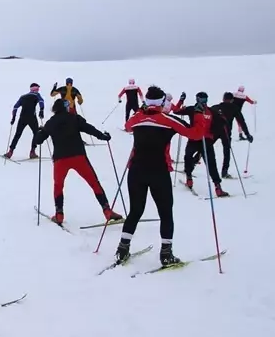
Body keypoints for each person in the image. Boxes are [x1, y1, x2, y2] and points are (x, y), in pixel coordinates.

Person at [116, 86, 210, 267]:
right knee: (165, 213)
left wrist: (142, 113)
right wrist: (198, 115)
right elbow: (196, 134)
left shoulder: (137, 118)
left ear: (146, 102)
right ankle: (166, 254)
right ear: (161, 102)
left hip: (136, 171)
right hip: (158, 172)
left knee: (135, 211)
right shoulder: (167, 120)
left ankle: (122, 249)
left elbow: (128, 127)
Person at [33, 98, 122, 226]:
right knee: (94, 183)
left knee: (58, 186)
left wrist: (39, 132)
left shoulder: (50, 123)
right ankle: (107, 211)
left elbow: (38, 140)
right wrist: (103, 136)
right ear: (65, 107)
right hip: (78, 156)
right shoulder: (74, 118)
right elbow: (88, 128)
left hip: (60, 159)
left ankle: (59, 214)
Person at [174, 92, 230, 197]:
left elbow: (176, 111)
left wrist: (181, 100)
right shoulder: (208, 111)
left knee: (190, 158)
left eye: (205, 100)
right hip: (202, 139)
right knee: (208, 162)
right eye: (203, 99)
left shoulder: (199, 110)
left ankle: (190, 179)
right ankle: (217, 187)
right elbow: (176, 111)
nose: (204, 102)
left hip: (198, 139)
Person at [4, 83, 45, 159]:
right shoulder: (37, 95)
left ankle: (10, 152)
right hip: (32, 117)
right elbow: (41, 101)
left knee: (17, 134)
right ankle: (32, 152)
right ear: (35, 89)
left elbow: (15, 107)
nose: (38, 90)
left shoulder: (23, 97)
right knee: (36, 133)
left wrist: (13, 118)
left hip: (22, 118)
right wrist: (41, 110)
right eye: (37, 89)